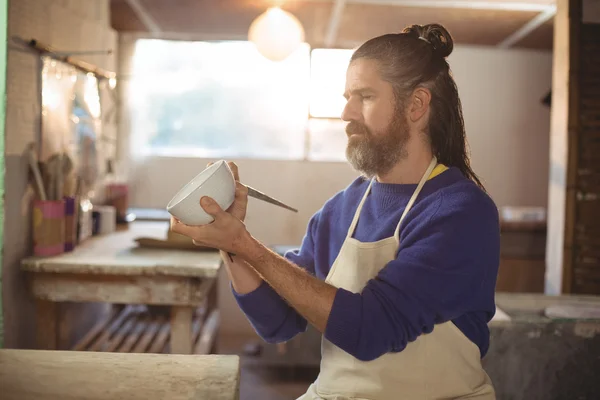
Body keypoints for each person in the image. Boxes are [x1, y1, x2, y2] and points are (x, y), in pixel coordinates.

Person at [171, 23, 499, 400]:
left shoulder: (460, 212)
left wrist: (247, 246)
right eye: (347, 96)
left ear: (416, 105)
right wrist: (230, 241)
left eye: (365, 96)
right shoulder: (345, 206)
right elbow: (277, 322)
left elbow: (372, 329)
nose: (346, 112)